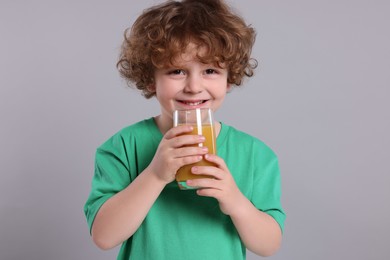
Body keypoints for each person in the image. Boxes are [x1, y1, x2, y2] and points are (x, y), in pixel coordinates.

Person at [84, 0, 285, 259]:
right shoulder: (123, 146)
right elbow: (104, 236)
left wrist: (235, 201)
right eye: (176, 70)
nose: (193, 86)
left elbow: (269, 245)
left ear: (230, 78)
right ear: (150, 78)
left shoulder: (256, 155)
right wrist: (155, 175)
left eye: (210, 70)